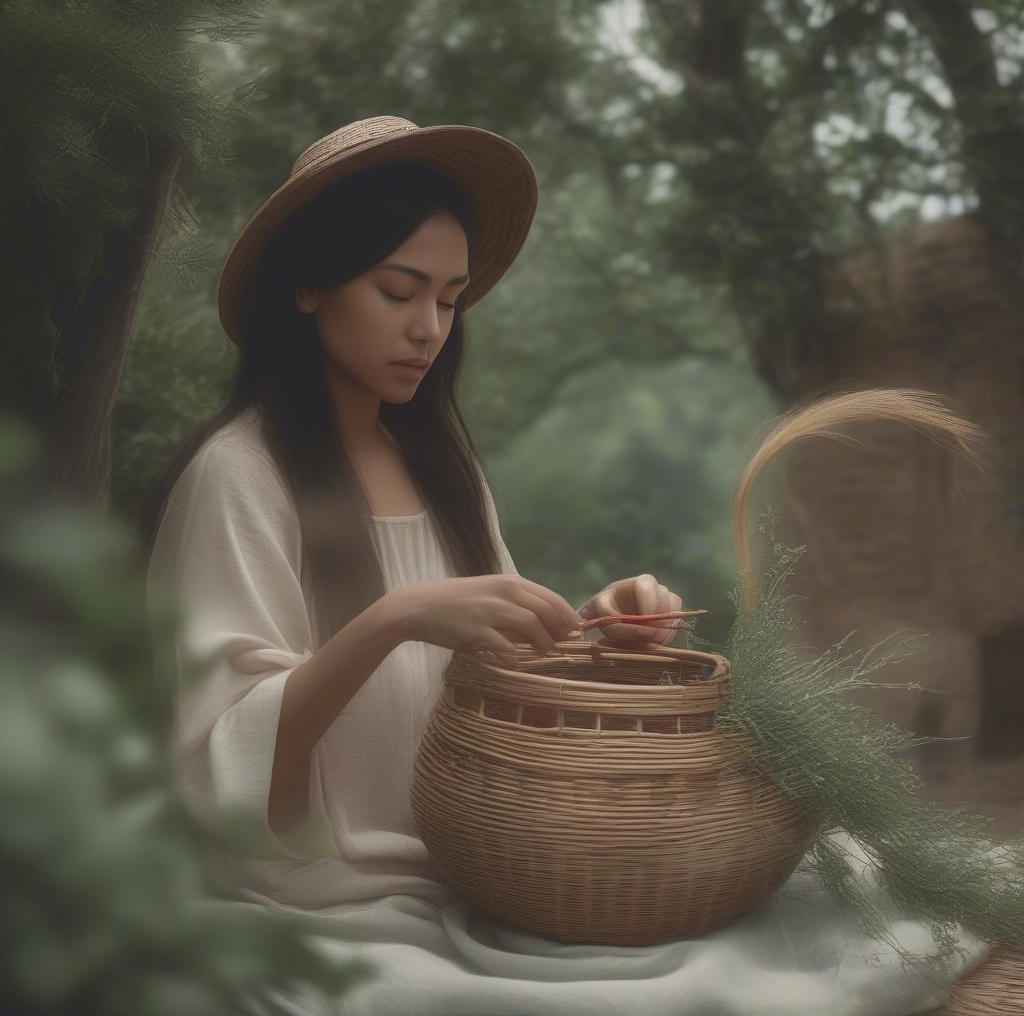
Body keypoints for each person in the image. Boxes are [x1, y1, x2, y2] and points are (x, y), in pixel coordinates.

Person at [144, 116, 984, 1016]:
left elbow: (488, 664)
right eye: (399, 291)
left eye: (450, 299)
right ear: (308, 286)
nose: (428, 329)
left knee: (835, 887)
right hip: (324, 891)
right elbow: (216, 761)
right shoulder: (237, 476)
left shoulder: (445, 469)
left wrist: (595, 624)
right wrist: (395, 618)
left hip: (489, 859)